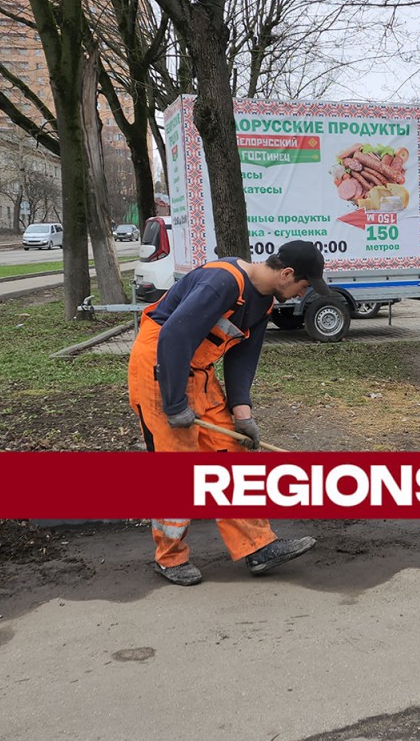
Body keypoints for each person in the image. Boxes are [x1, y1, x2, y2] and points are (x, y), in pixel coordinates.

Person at [128, 240, 331, 586]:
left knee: (232, 452)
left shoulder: (263, 303)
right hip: (160, 367)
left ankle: (258, 547)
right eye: (303, 285)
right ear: (286, 274)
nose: (301, 294)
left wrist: (242, 412)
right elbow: (174, 336)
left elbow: (242, 359)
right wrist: (175, 403)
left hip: (198, 372)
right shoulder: (223, 282)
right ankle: (170, 558)